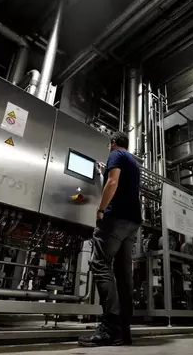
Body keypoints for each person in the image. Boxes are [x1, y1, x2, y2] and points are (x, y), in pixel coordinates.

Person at [78, 132, 142, 347]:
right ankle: (124, 332)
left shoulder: (116, 155)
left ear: (113, 143)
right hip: (133, 222)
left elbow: (112, 182)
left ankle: (108, 327)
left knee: (99, 263)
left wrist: (101, 209)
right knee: (123, 274)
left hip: (116, 219)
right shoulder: (133, 161)